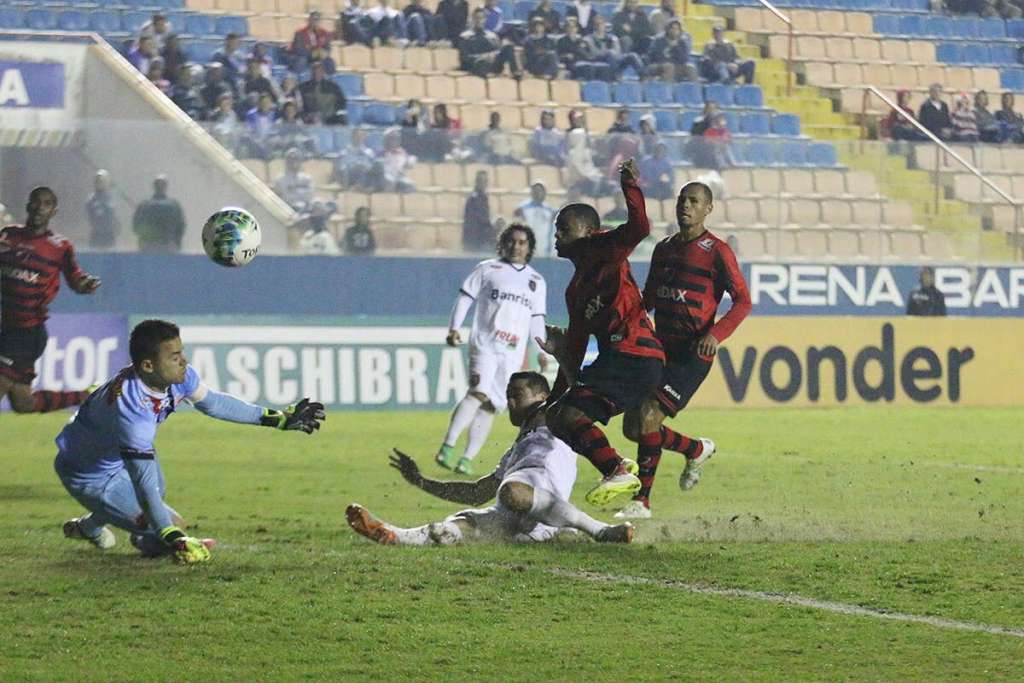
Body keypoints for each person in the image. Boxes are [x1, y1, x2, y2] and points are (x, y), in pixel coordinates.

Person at [56, 319, 324, 562]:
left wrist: (278, 419)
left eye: (181, 352)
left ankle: (88, 527)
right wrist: (173, 536)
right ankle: (140, 538)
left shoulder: (170, 377)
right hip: (89, 474)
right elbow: (142, 483)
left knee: (158, 494)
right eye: (175, 357)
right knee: (169, 521)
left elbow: (214, 403)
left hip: (116, 453)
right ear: (148, 365)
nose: (184, 361)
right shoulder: (132, 411)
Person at [349, 373, 633, 546]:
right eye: (507, 396)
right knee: (459, 523)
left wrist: (561, 352)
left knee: (510, 491)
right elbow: (476, 493)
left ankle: (601, 531)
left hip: (535, 503)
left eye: (517, 395)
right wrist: (421, 481)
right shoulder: (515, 451)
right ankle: (394, 536)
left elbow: (569, 382)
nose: (509, 402)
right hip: (514, 518)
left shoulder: (554, 416)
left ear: (543, 396)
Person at [616, 181, 751, 519]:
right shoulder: (664, 248)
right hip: (660, 349)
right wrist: (628, 321)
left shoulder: (718, 251)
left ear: (708, 208)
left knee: (649, 417)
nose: (686, 206)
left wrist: (716, 335)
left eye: (694, 201)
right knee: (633, 428)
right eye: (682, 200)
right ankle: (696, 449)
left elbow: (743, 301)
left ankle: (641, 502)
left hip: (693, 354)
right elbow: (649, 296)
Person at [537, 159, 664, 508]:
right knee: (559, 416)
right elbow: (576, 349)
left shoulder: (602, 247)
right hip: (621, 362)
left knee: (568, 416)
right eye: (556, 229)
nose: (556, 236)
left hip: (635, 355)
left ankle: (616, 468)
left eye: (564, 228)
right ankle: (616, 464)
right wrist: (554, 397)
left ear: (588, 231)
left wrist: (630, 187)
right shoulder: (576, 289)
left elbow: (639, 228)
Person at [436, 225, 547, 474]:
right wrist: (454, 328)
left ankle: (466, 459)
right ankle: (448, 446)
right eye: (512, 241)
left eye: (522, 242)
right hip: (485, 343)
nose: (516, 246)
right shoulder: (487, 269)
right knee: (478, 392)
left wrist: (541, 349)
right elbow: (465, 297)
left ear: (529, 248)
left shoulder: (537, 281)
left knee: (493, 405)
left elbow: (536, 318)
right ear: (503, 243)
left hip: (513, 351)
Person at [0, 187, 101, 414]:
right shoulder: (8, 236)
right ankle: (89, 395)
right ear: (28, 205)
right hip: (6, 328)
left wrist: (85, 284)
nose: (39, 208)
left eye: (46, 204)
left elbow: (75, 278)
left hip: (28, 334)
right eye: (36, 202)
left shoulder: (59, 247)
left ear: (54, 211)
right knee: (23, 402)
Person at [458, 8, 523, 78]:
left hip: (492, 64)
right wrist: (483, 57)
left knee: (508, 47)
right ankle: (487, 76)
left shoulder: (491, 36)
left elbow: (498, 51)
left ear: (485, 19)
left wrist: (493, 55)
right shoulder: (465, 36)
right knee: (481, 62)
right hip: (476, 64)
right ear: (472, 19)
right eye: (477, 18)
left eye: (482, 18)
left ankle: (515, 72)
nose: (479, 21)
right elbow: (464, 58)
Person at [132, 176, 185, 252]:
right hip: (162, 245)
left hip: (157, 245)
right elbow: (181, 227)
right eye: (159, 185)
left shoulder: (144, 205)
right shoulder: (174, 205)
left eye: (161, 185)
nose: (160, 187)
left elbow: (136, 226)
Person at [585, 14, 645, 80]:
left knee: (632, 55)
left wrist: (613, 54)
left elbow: (617, 52)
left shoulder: (612, 38)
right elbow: (594, 53)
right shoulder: (588, 39)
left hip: (615, 59)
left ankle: (643, 76)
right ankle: (614, 76)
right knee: (610, 53)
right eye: (597, 24)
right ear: (594, 26)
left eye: (601, 24)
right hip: (598, 60)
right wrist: (607, 52)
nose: (599, 26)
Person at [514, 182, 557, 256]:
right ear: (531, 192)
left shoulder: (549, 210)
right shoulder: (522, 208)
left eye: (541, 191)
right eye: (536, 191)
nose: (538, 193)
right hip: (527, 247)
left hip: (544, 249)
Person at [299, 61, 346, 125]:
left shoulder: (333, 87)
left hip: (329, 118)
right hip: (309, 120)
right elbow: (299, 104)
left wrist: (332, 113)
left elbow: (341, 102)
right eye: (315, 72)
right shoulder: (303, 87)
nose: (317, 74)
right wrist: (308, 116)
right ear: (311, 73)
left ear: (323, 73)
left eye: (319, 72)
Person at [462, 170, 496, 253]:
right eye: (481, 181)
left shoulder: (482, 197)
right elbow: (481, 219)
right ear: (477, 182)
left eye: (485, 181)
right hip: (475, 239)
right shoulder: (475, 198)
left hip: (480, 238)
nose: (484, 184)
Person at [86, 170, 120, 249]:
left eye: (101, 181)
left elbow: (113, 214)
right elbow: (90, 215)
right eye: (97, 181)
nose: (99, 184)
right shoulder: (91, 199)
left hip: (108, 234)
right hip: (96, 234)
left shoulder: (111, 197)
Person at [274, 148, 315, 212]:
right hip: (289, 209)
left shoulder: (306, 178)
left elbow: (309, 195)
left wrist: (294, 191)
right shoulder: (280, 180)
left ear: (300, 161)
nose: (293, 161)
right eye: (290, 158)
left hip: (307, 208)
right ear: (286, 161)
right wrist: (300, 192)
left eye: (296, 158)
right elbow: (286, 198)